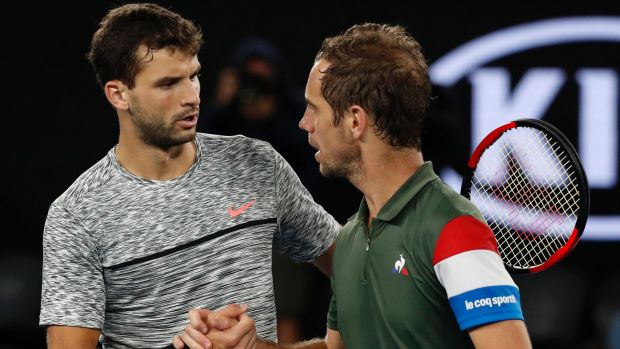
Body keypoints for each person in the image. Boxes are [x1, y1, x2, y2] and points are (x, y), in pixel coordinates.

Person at [175, 22, 532, 349]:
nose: (304, 123)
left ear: (355, 121)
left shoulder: (452, 229)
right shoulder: (350, 238)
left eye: (314, 108)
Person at [38, 3, 339, 349]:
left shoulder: (256, 163)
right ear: (118, 94)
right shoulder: (76, 216)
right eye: (168, 84)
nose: (191, 97)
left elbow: (359, 270)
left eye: (193, 76)